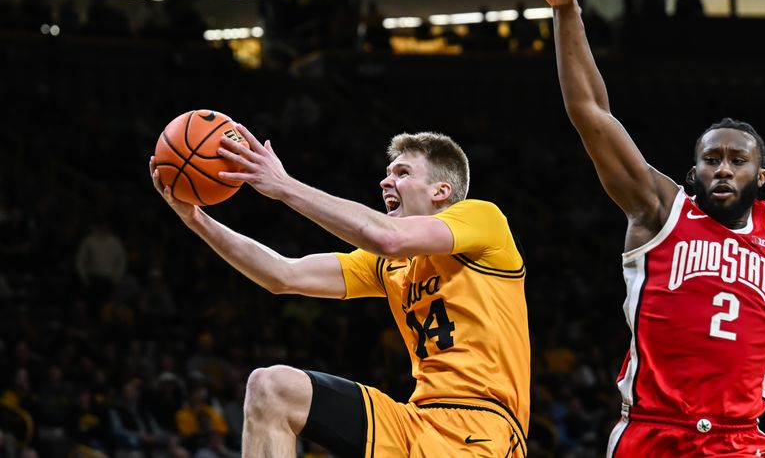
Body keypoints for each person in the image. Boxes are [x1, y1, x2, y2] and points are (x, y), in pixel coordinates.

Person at [512, 0, 765, 457]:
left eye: (738, 161)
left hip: (739, 441)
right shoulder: (659, 210)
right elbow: (591, 113)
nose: (722, 169)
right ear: (692, 171)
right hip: (652, 430)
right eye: (711, 159)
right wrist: (565, 10)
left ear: (760, 177)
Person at [149, 130, 530, 457]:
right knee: (271, 387)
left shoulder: (484, 222)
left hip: (484, 429)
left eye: (402, 172)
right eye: (386, 173)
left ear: (441, 191)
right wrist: (195, 218)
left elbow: (386, 237)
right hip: (416, 422)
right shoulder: (388, 265)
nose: (385, 182)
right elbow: (281, 274)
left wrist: (284, 185)